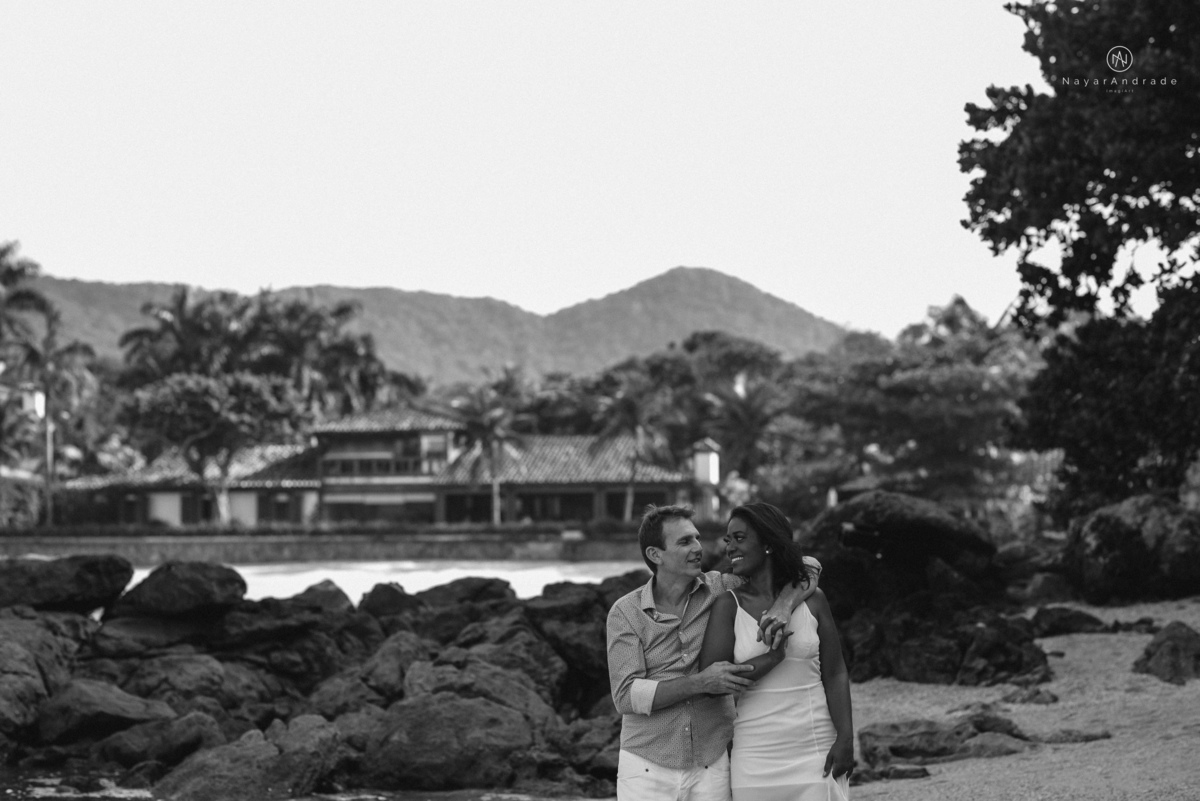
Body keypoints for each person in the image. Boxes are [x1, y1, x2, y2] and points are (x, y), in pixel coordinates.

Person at [606, 504, 819, 801]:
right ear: (656, 555)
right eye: (684, 542)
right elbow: (626, 695)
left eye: (696, 538)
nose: (698, 548)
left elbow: (807, 565)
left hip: (713, 761)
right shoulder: (625, 612)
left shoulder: (723, 587)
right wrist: (701, 682)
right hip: (645, 766)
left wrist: (784, 603)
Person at [698, 502, 854, 801]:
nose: (730, 547)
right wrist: (771, 659)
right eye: (728, 539)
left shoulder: (813, 599)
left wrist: (846, 738)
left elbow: (835, 673)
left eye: (740, 538)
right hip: (755, 755)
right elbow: (711, 685)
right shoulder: (727, 605)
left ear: (769, 543)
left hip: (815, 747)